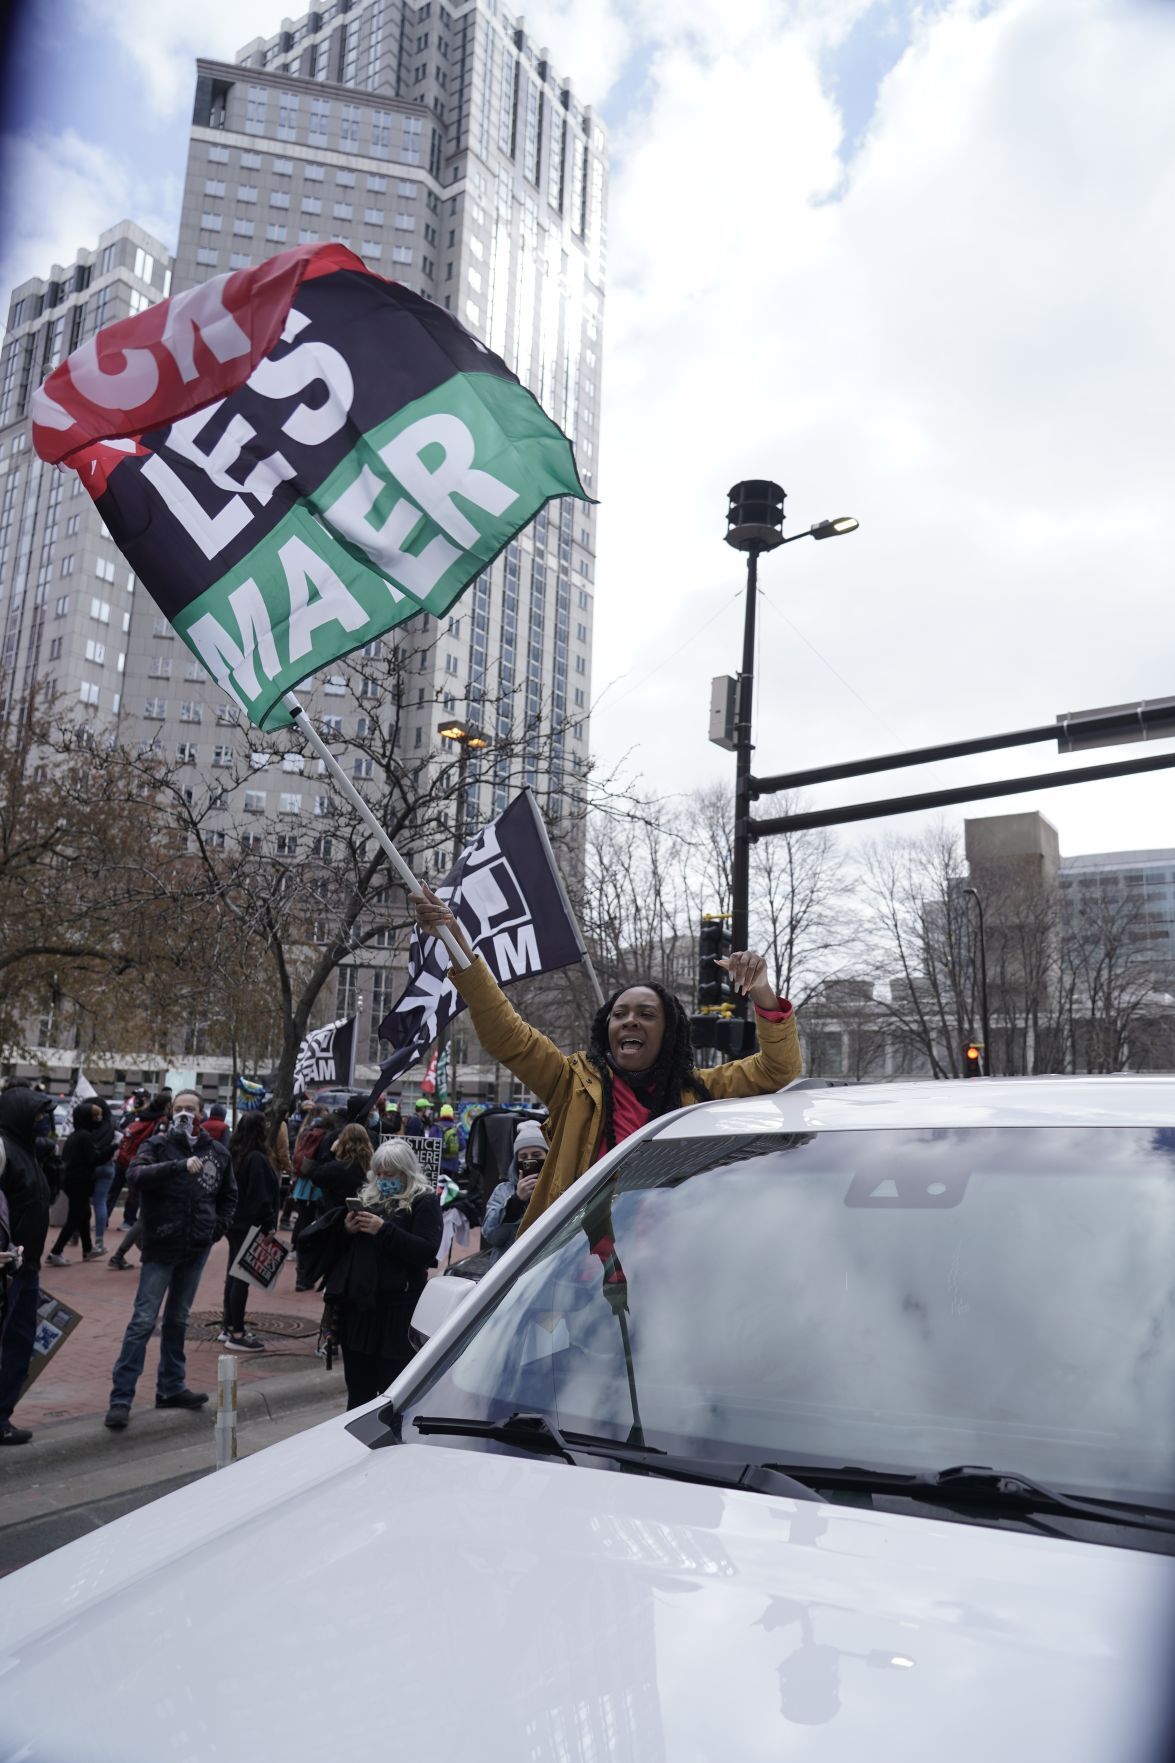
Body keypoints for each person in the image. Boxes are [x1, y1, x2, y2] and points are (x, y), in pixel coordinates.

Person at [411, 884, 803, 1232]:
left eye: (646, 1015)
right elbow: (506, 1031)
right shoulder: (571, 1083)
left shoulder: (699, 1091)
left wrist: (762, 989)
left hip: (664, 1271)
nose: (630, 1021)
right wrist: (456, 943)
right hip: (573, 1278)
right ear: (607, 1028)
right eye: (620, 1014)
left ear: (669, 1034)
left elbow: (778, 1069)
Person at [104, 1090, 235, 1430]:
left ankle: (171, 1386)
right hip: (161, 1244)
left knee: (178, 1318)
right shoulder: (158, 1145)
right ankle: (121, 1398)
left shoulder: (216, 1152)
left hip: (196, 1246)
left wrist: (215, 1229)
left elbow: (228, 1194)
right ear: (170, 1113)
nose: (184, 1114)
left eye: (190, 1109)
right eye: (178, 1109)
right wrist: (178, 1166)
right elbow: (135, 1176)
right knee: (144, 1320)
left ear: (201, 1113)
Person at [316, 1139, 442, 1409]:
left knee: (392, 1396)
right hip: (362, 1309)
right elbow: (344, 1251)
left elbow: (426, 1251)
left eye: (390, 1174)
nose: (383, 1180)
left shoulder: (425, 1201)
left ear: (406, 1172)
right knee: (358, 1394)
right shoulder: (367, 1197)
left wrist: (384, 1229)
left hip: (399, 1311)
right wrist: (347, 1230)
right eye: (380, 1173)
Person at [0, 1088, 56, 1444]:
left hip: (27, 1265)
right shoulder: (4, 1148)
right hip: (6, 1268)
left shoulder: (30, 1150)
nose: (44, 1122)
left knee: (21, 1342)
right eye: (38, 1115)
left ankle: (2, 1416)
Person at [220, 1112, 279, 1352]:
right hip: (248, 1224)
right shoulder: (256, 1158)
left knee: (233, 1275)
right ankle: (237, 1332)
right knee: (241, 1279)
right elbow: (261, 1197)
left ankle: (228, 1326)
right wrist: (268, 1225)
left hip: (234, 1222)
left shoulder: (235, 1154)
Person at [46, 1103, 107, 1265]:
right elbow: (93, 1159)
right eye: (95, 1116)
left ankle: (87, 1249)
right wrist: (112, 1148)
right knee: (74, 1217)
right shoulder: (84, 1136)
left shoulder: (77, 1135)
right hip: (79, 1183)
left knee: (84, 1214)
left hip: (73, 1182)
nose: (98, 1119)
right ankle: (55, 1252)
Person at [481, 1119, 548, 1264]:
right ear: (516, 1161)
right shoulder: (503, 1191)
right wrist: (516, 1201)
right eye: (523, 1157)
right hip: (509, 1274)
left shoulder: (556, 1190)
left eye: (536, 1156)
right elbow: (491, 1235)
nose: (530, 1161)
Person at [437, 1102, 466, 1178]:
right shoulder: (456, 1129)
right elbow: (463, 1145)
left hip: (440, 1166)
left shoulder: (436, 1128)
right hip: (453, 1165)